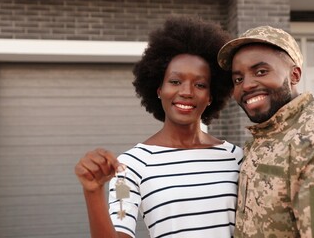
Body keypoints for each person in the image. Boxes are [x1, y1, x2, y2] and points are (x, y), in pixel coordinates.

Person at [74, 16, 243, 238]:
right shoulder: (130, 166)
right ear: (158, 89)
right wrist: (93, 192)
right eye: (175, 82)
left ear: (211, 96)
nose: (187, 92)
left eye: (200, 84)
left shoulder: (235, 158)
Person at [217, 26, 314, 237]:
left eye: (261, 71)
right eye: (238, 79)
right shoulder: (267, 137)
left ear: (294, 75)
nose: (246, 85)